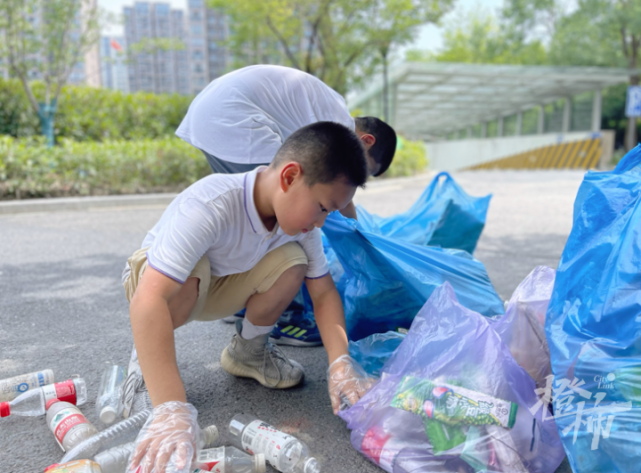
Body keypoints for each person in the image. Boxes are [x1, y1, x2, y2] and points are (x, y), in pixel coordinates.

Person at [122, 122, 372, 472]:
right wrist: (171, 408)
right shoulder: (213, 201)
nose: (320, 222)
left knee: (294, 262)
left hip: (218, 288)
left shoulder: (298, 223)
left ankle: (248, 354)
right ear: (289, 177)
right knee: (189, 270)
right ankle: (147, 356)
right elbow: (149, 299)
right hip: (157, 288)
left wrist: (340, 362)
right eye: (322, 207)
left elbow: (324, 292)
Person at [176, 65, 397, 346]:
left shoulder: (330, 110)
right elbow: (336, 196)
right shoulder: (338, 126)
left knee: (252, 217)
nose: (355, 177)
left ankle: (244, 301)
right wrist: (357, 235)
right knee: (286, 213)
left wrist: (354, 230)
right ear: (365, 140)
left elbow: (339, 198)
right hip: (235, 119)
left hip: (213, 114)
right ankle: (287, 317)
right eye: (363, 168)